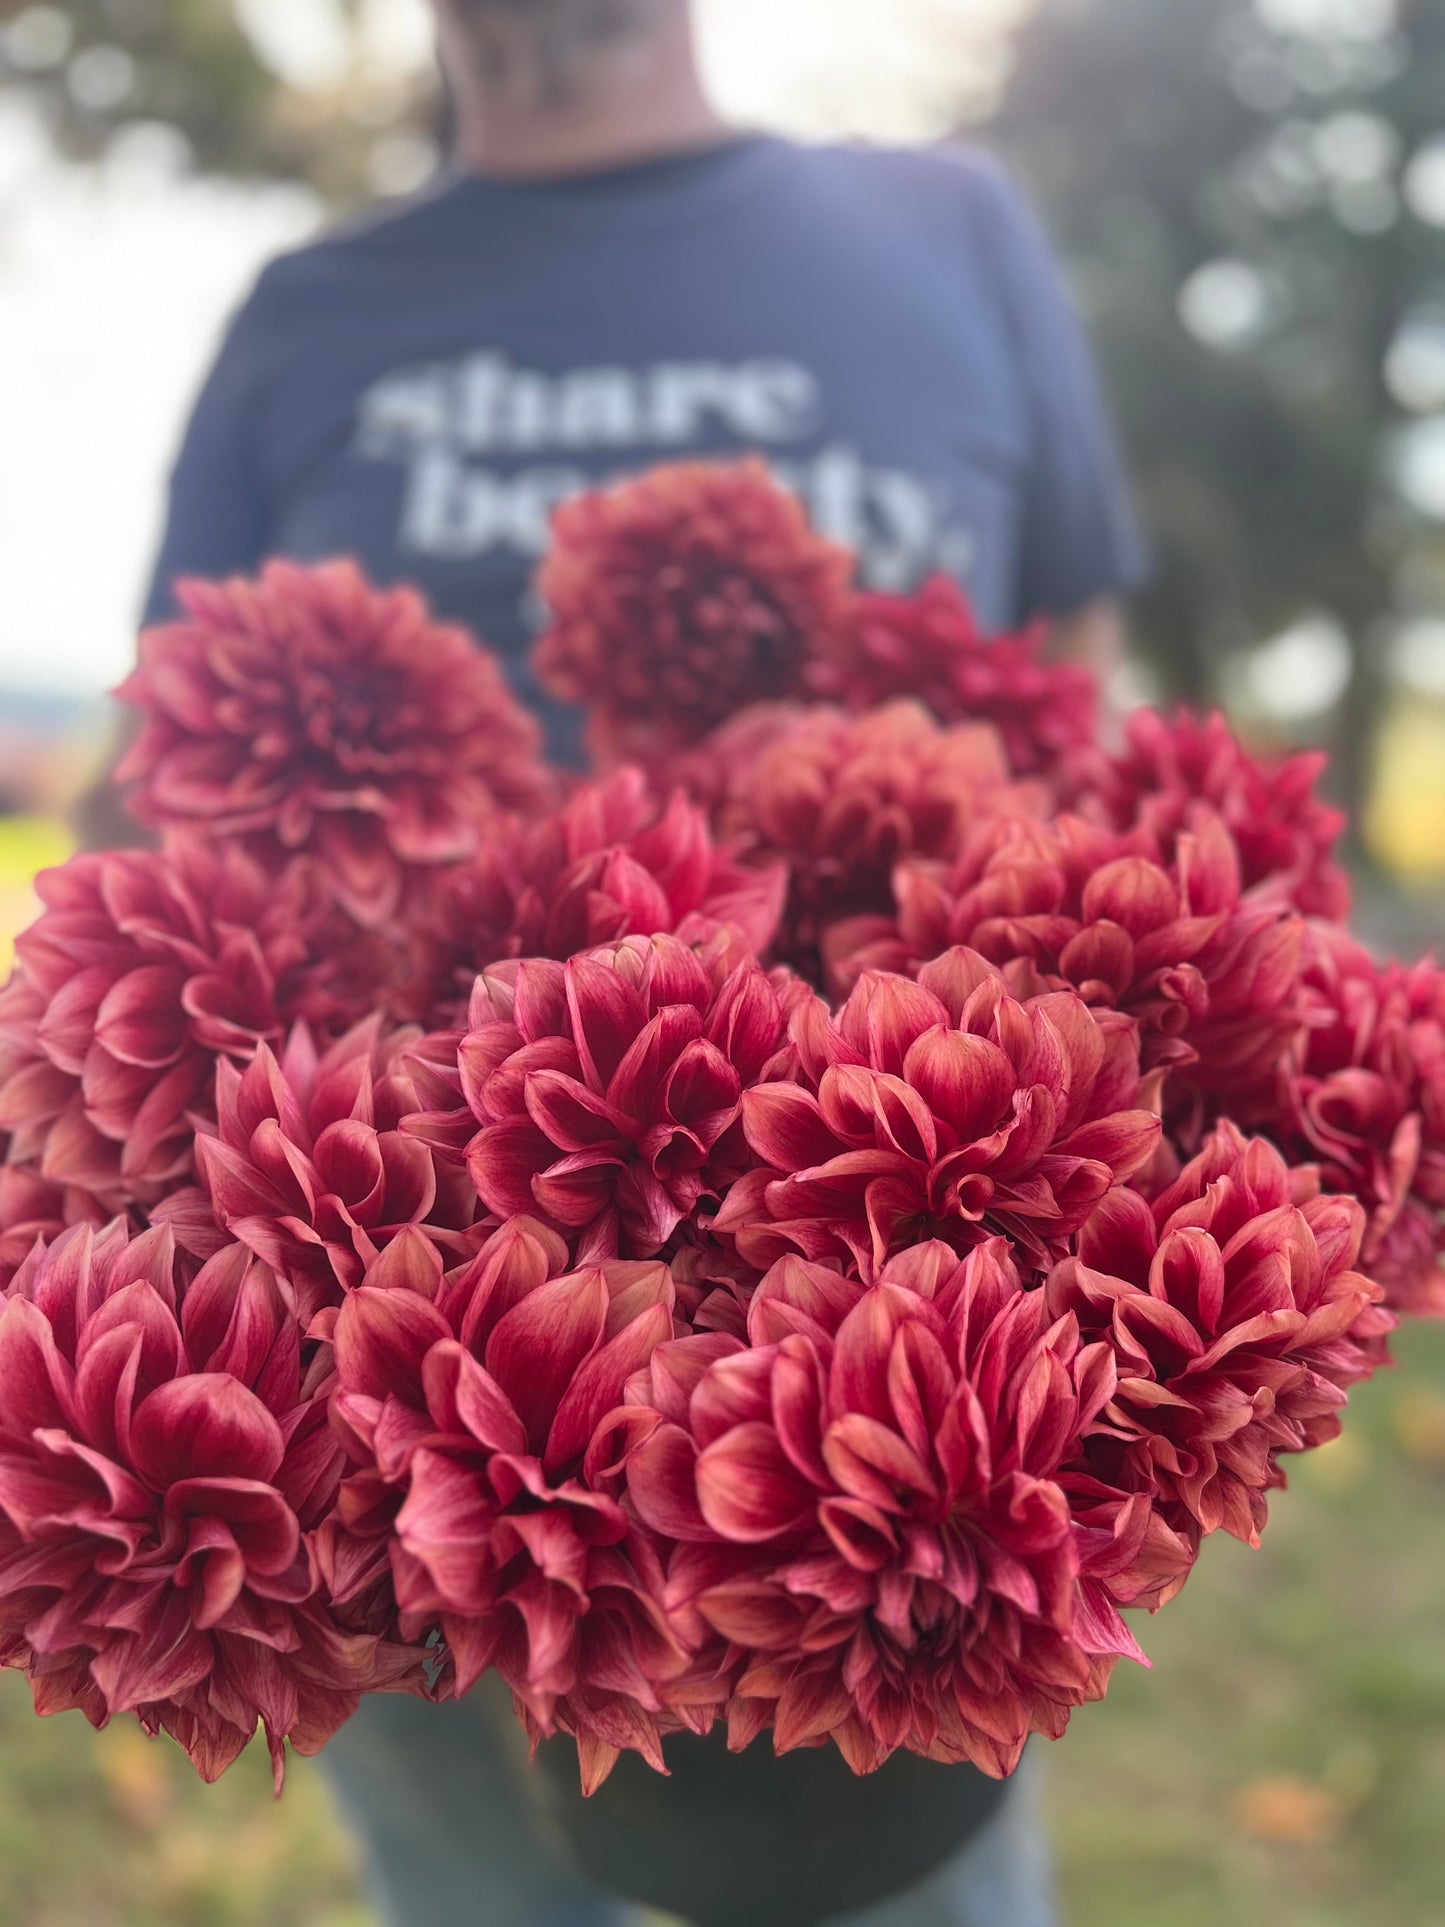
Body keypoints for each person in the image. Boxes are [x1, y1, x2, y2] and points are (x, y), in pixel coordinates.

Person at [135, 2, 1146, 1920]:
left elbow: (1075, 711)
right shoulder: (303, 310)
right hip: (382, 1437)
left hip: (900, 1424)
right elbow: (169, 779)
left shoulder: (948, 226)